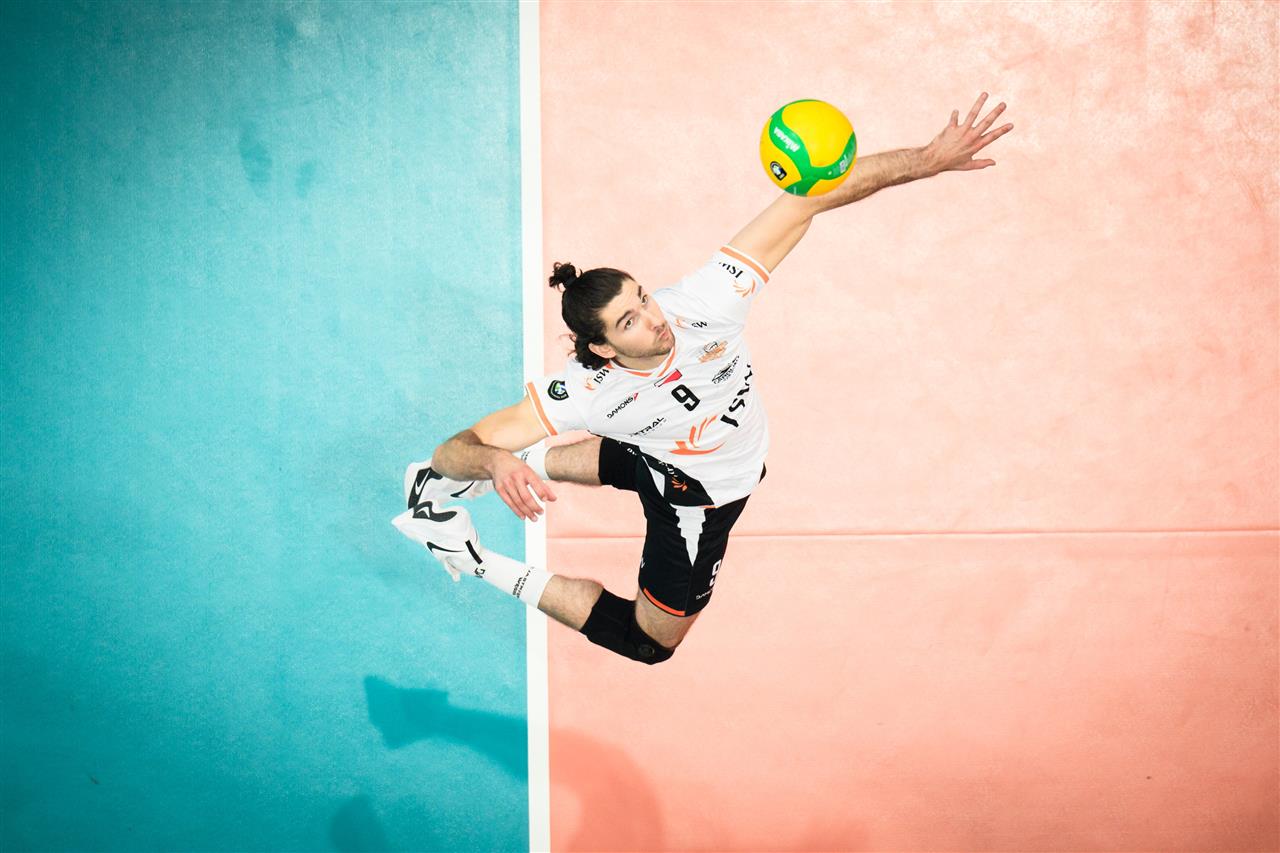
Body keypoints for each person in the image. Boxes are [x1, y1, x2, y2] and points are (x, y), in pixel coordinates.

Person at [392, 93, 1013, 665]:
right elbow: (455, 446)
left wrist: (928, 160)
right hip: (695, 500)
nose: (654, 320)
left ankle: (506, 470)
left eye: (643, 297)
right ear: (602, 348)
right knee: (649, 641)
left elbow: (808, 199)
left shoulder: (705, 303)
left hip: (678, 450)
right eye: (630, 322)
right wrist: (491, 461)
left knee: (630, 454)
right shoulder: (587, 394)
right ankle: (468, 555)